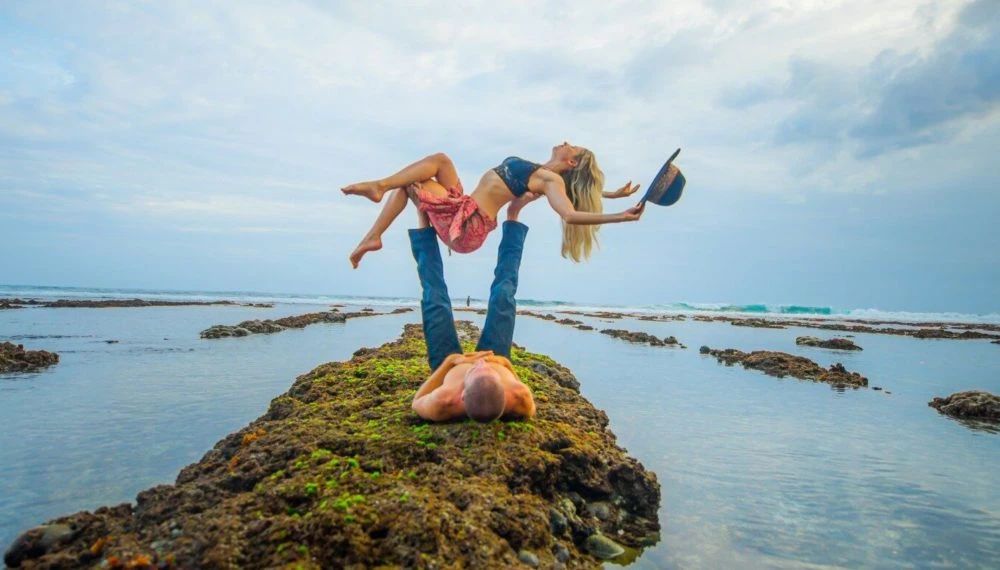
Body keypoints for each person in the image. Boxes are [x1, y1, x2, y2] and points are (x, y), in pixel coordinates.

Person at [342, 142, 644, 268]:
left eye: (572, 145)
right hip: (464, 207)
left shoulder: (549, 182)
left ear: (571, 160)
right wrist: (612, 194)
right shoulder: (544, 172)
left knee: (424, 172)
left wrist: (621, 216)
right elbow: (582, 189)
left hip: (470, 226)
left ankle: (378, 192)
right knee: (430, 168)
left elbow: (569, 212)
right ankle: (374, 227)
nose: (565, 140)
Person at [409, 199, 537, 423]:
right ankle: (513, 214)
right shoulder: (520, 396)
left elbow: (417, 401)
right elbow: (513, 377)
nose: (479, 363)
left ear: (462, 395)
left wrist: (451, 362)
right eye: (484, 369)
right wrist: (503, 365)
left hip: (449, 364)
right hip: (495, 356)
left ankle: (423, 218)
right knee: (503, 296)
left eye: (476, 370)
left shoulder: (444, 402)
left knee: (435, 299)